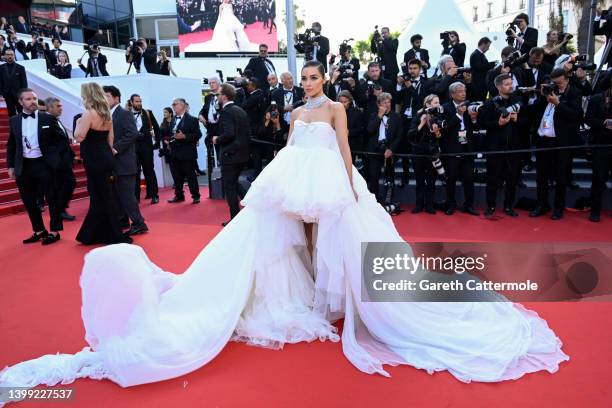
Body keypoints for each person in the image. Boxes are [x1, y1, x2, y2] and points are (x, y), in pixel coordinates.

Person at [0, 60, 568, 391]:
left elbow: (345, 148)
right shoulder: (296, 113)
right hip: (295, 182)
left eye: (319, 77)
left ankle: (338, 300)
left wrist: (351, 184)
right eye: (310, 78)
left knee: (337, 238)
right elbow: (293, 150)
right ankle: (315, 300)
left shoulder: (337, 110)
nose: (314, 84)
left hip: (331, 183)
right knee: (291, 240)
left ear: (329, 81)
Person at [6, 89, 71, 245]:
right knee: (29, 200)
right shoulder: (14, 120)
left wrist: (57, 160)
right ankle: (39, 230)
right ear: (21, 102)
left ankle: (54, 231)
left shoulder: (47, 119)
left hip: (44, 164)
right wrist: (10, 165)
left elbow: (62, 140)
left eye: (34, 98)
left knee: (52, 198)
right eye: (28, 99)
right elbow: (12, 144)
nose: (33, 101)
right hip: (24, 165)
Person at [74, 83, 132, 245]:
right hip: (106, 157)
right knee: (105, 195)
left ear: (87, 95)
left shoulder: (88, 114)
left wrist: (79, 122)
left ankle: (109, 234)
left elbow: (79, 137)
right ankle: (94, 234)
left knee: (100, 196)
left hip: (94, 159)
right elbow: (110, 140)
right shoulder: (106, 114)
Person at [529, 68, 583, 220]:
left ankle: (558, 208)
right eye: (553, 81)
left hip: (561, 142)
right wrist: (541, 96)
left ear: (566, 79)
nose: (555, 84)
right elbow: (533, 112)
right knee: (541, 176)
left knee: (560, 176)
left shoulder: (573, 93)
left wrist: (558, 103)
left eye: (558, 81)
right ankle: (541, 204)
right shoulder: (548, 91)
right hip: (543, 140)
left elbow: (575, 116)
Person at [103, 86, 149, 236]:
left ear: (116, 98)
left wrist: (115, 148)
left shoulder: (124, 113)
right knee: (117, 195)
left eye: (107, 96)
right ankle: (123, 220)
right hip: (114, 163)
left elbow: (132, 133)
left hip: (124, 162)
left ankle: (139, 223)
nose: (105, 99)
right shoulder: (108, 114)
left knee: (127, 196)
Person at [479, 74, 523, 218]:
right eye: (507, 84)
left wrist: (518, 119)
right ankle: (490, 206)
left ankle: (509, 206)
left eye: (511, 83)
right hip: (495, 148)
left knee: (512, 179)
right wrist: (498, 124)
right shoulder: (490, 103)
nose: (511, 86)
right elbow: (483, 123)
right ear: (498, 87)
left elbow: (529, 121)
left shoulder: (518, 100)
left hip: (514, 147)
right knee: (492, 179)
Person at [212, 84, 250, 224]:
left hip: (231, 155)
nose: (217, 97)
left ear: (224, 96)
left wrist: (217, 139)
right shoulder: (240, 110)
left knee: (230, 187)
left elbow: (229, 134)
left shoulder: (227, 111)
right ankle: (252, 205)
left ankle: (235, 219)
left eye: (218, 94)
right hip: (242, 155)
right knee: (234, 183)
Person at [440, 82, 479, 216]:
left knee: (469, 178)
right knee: (451, 178)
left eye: (464, 90)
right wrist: (458, 115)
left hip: (467, 148)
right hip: (451, 149)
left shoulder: (470, 106)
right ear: (452, 94)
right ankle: (451, 204)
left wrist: (474, 120)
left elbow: (475, 127)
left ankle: (469, 205)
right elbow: (445, 129)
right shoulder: (444, 108)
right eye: (460, 91)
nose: (463, 93)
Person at [407, 94, 442, 214]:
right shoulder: (418, 116)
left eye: (438, 102)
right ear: (427, 104)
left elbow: (442, 135)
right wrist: (422, 123)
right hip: (418, 152)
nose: (438, 105)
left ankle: (430, 205)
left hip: (432, 152)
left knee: (431, 180)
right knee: (420, 180)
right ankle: (419, 205)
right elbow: (411, 135)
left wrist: (438, 132)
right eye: (435, 103)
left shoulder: (439, 116)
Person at [365, 92, 402, 202]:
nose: (387, 104)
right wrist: (379, 116)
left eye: (389, 102)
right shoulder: (373, 115)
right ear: (378, 104)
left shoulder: (397, 117)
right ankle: (374, 200)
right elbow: (370, 130)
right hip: (375, 149)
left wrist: (391, 149)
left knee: (389, 177)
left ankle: (389, 200)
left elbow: (399, 136)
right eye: (384, 103)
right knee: (373, 176)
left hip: (389, 149)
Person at [45, 97, 77, 221]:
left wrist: (72, 155)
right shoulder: (47, 121)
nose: (61, 108)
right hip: (57, 163)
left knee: (66, 184)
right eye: (58, 106)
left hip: (64, 160)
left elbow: (63, 143)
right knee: (69, 183)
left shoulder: (56, 120)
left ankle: (60, 209)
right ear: (50, 107)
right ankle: (59, 209)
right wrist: (55, 161)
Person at [185, 0, 258, 53]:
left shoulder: (230, 5)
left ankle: (239, 45)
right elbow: (220, 15)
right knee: (226, 34)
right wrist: (222, 22)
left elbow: (232, 13)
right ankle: (231, 46)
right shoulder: (221, 6)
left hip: (231, 20)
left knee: (237, 32)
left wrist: (232, 19)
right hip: (224, 21)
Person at [586, 77, 612, 222]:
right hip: (601, 144)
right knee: (598, 179)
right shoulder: (597, 99)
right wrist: (604, 124)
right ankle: (595, 210)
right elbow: (588, 119)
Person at [167, 98, 202, 204]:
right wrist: (169, 141)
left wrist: (184, 136)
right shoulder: (172, 119)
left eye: (175, 104)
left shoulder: (192, 119)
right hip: (174, 153)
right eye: (172, 104)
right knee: (176, 176)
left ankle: (195, 196)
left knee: (191, 176)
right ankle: (179, 195)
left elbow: (198, 135)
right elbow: (172, 134)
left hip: (187, 153)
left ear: (182, 105)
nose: (173, 106)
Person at [128, 94, 160, 204]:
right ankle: (135, 197)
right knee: (135, 173)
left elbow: (156, 128)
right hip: (133, 148)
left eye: (140, 101)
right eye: (137, 101)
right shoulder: (127, 114)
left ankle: (154, 195)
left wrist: (158, 142)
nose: (139, 103)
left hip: (146, 147)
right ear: (131, 102)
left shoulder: (148, 113)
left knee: (149, 171)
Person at [0, 49, 28, 117]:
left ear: (14, 55)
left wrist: (23, 94)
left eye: (11, 54)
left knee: (21, 112)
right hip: (7, 95)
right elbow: (0, 82)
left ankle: (22, 127)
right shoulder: (1, 68)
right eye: (8, 55)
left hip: (19, 95)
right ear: (5, 56)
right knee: (11, 113)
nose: (10, 56)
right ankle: (13, 127)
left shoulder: (20, 68)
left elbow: (24, 82)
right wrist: (1, 94)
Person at [469, 37, 496, 101]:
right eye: (488, 46)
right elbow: (480, 67)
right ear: (483, 44)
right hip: (478, 84)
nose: (488, 49)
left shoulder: (480, 54)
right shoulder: (475, 54)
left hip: (482, 84)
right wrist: (492, 64)